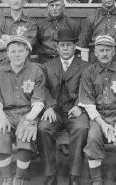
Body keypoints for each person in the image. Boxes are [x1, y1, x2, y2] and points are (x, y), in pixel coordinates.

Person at [78, 35, 116, 185]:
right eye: (101, 50)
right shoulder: (89, 72)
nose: (104, 53)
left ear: (113, 52)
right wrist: (103, 124)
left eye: (108, 50)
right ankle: (97, 181)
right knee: (92, 137)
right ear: (95, 53)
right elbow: (87, 103)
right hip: (97, 116)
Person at [37, 29, 89, 185]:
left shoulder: (85, 66)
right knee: (43, 128)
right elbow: (42, 88)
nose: (66, 48)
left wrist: (80, 105)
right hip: (55, 111)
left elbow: (87, 88)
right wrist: (48, 107)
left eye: (69, 45)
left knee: (81, 128)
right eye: (62, 45)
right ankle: (50, 175)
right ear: (57, 48)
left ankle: (74, 176)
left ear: (75, 47)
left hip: (75, 110)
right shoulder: (47, 66)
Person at [0, 35, 45, 185]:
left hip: (28, 112)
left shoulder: (36, 71)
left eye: (20, 51)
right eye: (12, 51)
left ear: (27, 52)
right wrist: (1, 116)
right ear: (7, 53)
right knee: (1, 134)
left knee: (25, 135)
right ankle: (6, 178)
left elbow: (38, 102)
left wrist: (28, 119)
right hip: (6, 113)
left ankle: (19, 179)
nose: (16, 54)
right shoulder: (0, 72)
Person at [34, 0, 79, 64]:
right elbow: (37, 45)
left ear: (63, 7)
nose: (55, 8)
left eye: (57, 5)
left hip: (65, 61)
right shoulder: (40, 24)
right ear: (48, 8)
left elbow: (75, 44)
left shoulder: (72, 24)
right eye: (52, 5)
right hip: (45, 61)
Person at [0, 0, 37, 65]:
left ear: (24, 2)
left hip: (22, 64)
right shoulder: (1, 20)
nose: (16, 0)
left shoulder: (31, 23)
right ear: (9, 1)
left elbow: (27, 45)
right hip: (2, 64)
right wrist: (19, 39)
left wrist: (5, 37)